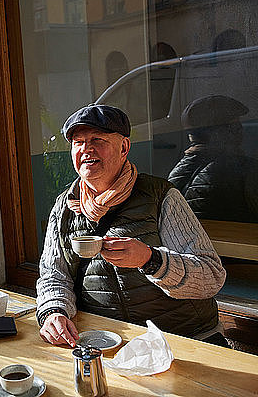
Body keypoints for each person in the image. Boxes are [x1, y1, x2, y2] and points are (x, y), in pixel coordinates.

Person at [36, 104, 228, 349]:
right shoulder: (65, 206)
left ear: (124, 147)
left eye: (98, 139)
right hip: (108, 340)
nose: (87, 149)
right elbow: (54, 273)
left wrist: (151, 259)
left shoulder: (160, 196)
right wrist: (54, 311)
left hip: (182, 337)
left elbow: (211, 277)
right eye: (78, 142)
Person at [168, 95, 258, 223]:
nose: (241, 131)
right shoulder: (243, 170)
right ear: (222, 132)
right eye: (236, 126)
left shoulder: (177, 172)